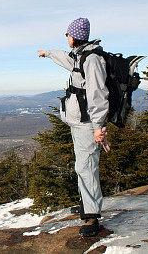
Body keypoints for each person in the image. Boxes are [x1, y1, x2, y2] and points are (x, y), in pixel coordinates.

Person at [37, 17, 108, 237]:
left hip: (88, 124)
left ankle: (92, 217)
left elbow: (98, 94)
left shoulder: (92, 60)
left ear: (74, 36)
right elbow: (65, 58)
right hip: (79, 123)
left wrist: (99, 126)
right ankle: (87, 205)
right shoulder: (81, 57)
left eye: (68, 34)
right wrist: (47, 53)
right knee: (82, 166)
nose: (67, 38)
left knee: (87, 167)